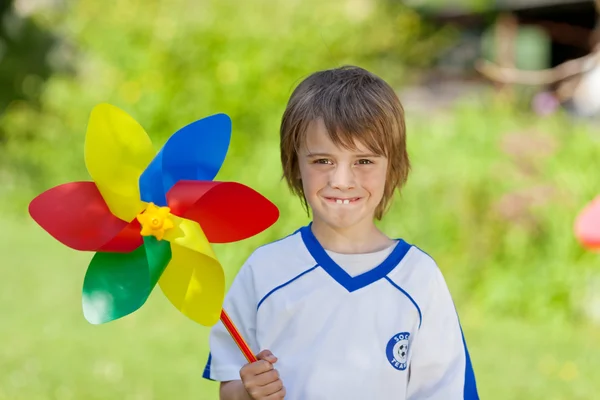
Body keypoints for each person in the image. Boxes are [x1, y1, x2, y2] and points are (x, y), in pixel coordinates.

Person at [202, 65, 479, 399]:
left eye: (363, 161)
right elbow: (229, 384)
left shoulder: (419, 279)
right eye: (323, 161)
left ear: (393, 166)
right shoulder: (264, 271)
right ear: (295, 165)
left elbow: (444, 390)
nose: (342, 180)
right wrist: (249, 391)